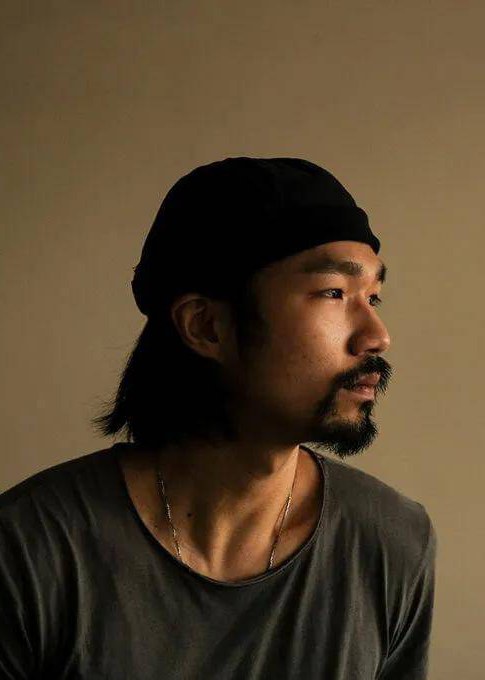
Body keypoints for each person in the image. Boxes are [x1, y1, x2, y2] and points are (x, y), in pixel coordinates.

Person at [0, 157, 437, 679]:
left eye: (374, 297)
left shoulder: (390, 541)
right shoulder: (30, 548)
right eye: (334, 293)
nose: (377, 336)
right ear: (207, 326)